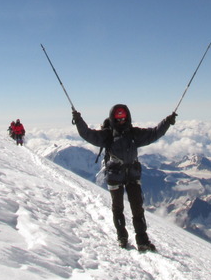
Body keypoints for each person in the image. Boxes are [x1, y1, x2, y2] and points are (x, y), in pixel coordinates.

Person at [72, 104, 176, 252]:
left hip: (128, 175)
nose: (121, 121)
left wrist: (167, 122)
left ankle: (142, 240)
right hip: (121, 176)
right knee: (118, 208)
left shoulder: (132, 133)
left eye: (123, 118)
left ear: (127, 118)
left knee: (137, 208)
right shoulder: (108, 135)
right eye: (118, 119)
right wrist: (78, 120)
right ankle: (122, 237)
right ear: (113, 119)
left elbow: (154, 133)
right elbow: (87, 134)